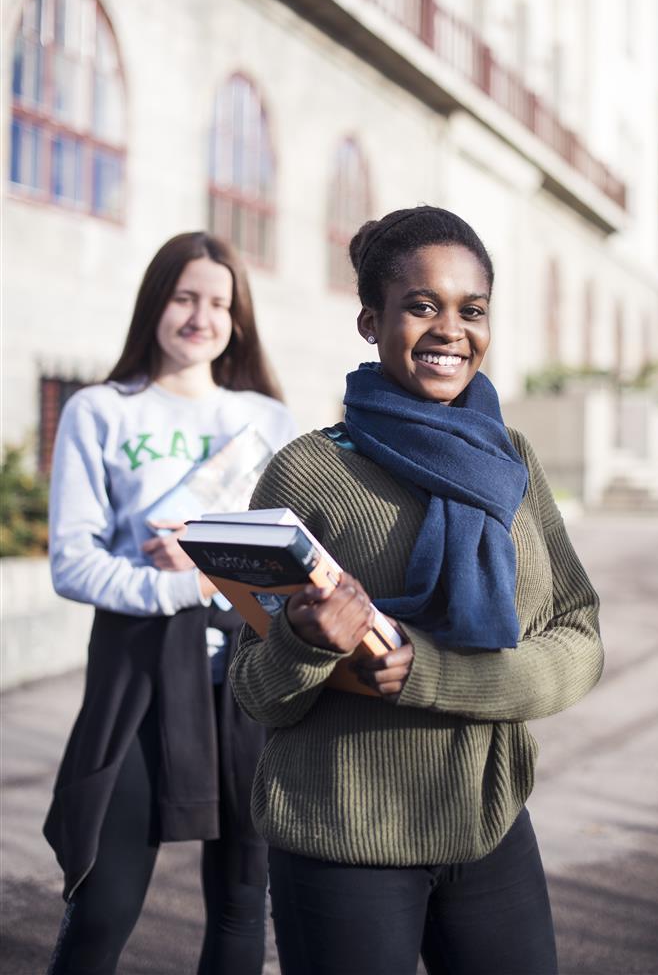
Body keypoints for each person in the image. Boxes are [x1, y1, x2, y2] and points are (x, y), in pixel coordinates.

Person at [229, 206, 604, 975]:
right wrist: (304, 643)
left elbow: (579, 637)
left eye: (472, 310)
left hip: (487, 826)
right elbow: (251, 691)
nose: (450, 330)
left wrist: (434, 674)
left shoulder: (511, 460)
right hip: (341, 838)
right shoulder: (307, 472)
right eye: (422, 305)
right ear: (372, 320)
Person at [44, 232, 296, 975]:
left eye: (219, 302)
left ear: (237, 319)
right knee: (104, 901)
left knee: (242, 906)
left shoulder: (267, 420)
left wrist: (215, 567)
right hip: (139, 677)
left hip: (246, 678)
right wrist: (183, 585)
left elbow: (292, 556)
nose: (200, 316)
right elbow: (72, 561)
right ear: (156, 302)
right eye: (185, 296)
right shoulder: (100, 410)